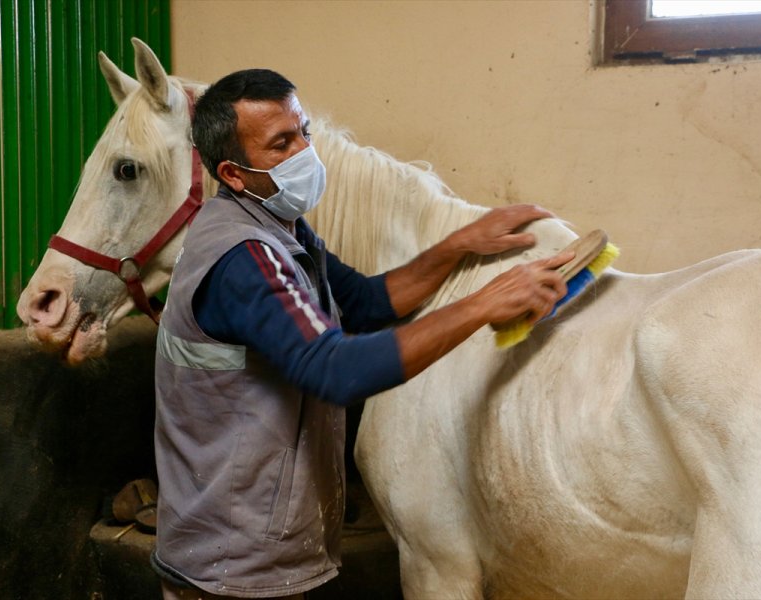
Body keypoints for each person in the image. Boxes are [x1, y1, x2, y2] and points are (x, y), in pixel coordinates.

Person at [152, 68, 572, 600]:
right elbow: (335, 370)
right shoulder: (244, 259)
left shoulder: (279, 229)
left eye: (303, 130)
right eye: (282, 143)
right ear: (234, 174)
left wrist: (460, 243)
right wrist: (484, 304)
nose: (306, 150)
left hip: (253, 549)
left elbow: (367, 302)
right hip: (231, 566)